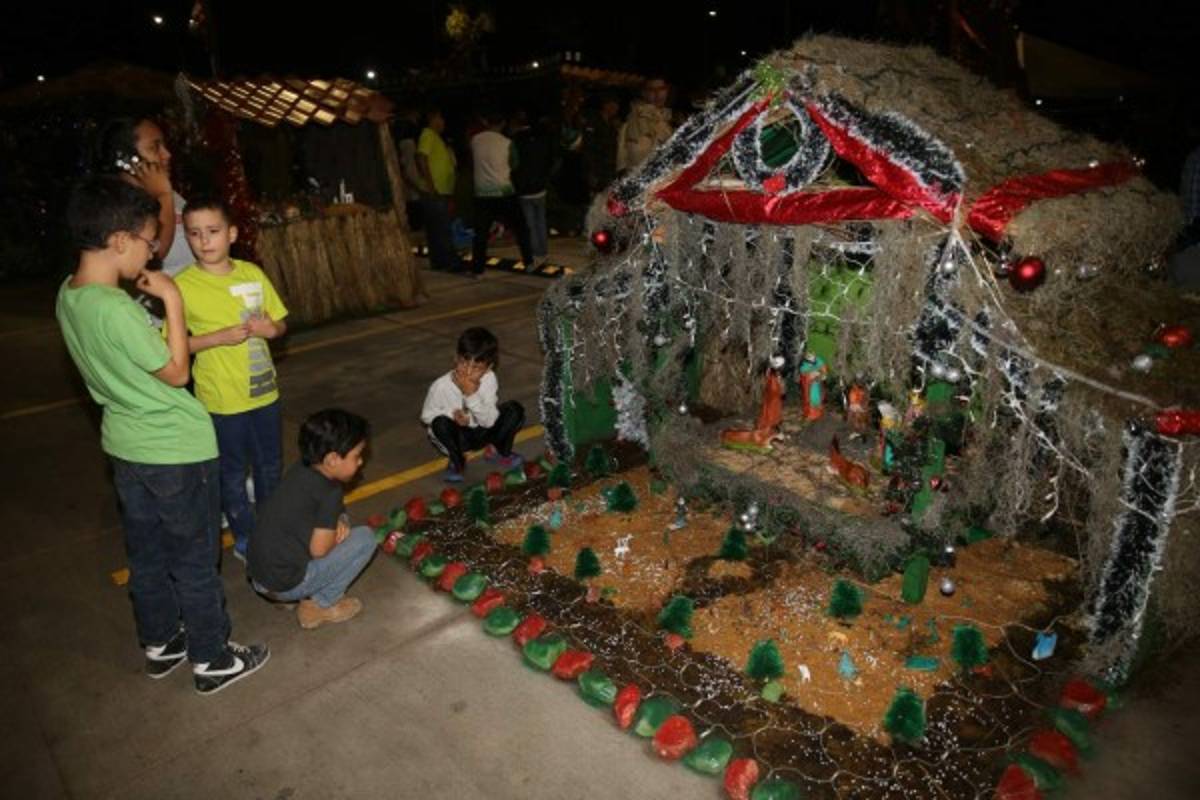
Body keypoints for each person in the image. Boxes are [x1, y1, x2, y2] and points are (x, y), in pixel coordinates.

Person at [56, 176, 268, 695]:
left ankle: (161, 642)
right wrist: (172, 299)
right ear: (121, 240)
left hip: (126, 448)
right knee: (194, 558)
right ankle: (213, 657)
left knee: (147, 554)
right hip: (174, 450)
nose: (153, 252)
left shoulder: (69, 295)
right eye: (151, 241)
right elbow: (176, 372)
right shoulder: (117, 308)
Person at [175, 196, 289, 564]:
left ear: (232, 233)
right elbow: (173, 346)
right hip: (221, 401)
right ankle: (244, 534)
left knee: (270, 465)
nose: (204, 240)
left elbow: (280, 323)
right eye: (195, 233)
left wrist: (270, 328)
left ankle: (272, 527)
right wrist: (216, 338)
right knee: (232, 472)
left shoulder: (252, 274)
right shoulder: (182, 286)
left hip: (264, 394)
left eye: (213, 231)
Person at [249, 409, 376, 630]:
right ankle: (319, 605)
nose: (360, 461)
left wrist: (338, 520)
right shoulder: (329, 493)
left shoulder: (301, 469)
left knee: (335, 525)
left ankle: (290, 596)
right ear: (333, 459)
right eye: (356, 456)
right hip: (284, 583)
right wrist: (337, 534)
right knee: (365, 538)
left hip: (259, 576)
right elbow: (319, 550)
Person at [421, 327, 525, 482]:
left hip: (481, 429)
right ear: (456, 358)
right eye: (463, 363)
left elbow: (489, 421)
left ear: (489, 368)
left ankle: (498, 451)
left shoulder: (489, 379)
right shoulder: (441, 386)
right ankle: (457, 461)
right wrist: (452, 415)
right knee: (439, 423)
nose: (468, 372)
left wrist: (471, 396)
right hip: (459, 437)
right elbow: (426, 416)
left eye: (476, 367)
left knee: (514, 410)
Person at [93, 117, 192, 275]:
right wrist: (164, 196)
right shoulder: (116, 206)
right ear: (127, 158)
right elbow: (155, 255)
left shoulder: (170, 192)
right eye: (154, 147)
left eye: (164, 146)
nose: (166, 154)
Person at [470, 111, 533, 273]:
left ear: (486, 121)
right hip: (505, 192)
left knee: (481, 233)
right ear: (503, 123)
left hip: (482, 194)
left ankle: (478, 268)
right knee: (521, 228)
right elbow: (515, 164)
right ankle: (528, 261)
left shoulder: (475, 140)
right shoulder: (507, 143)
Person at [416, 109, 464, 273]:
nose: (443, 122)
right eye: (441, 118)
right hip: (434, 191)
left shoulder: (436, 137)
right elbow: (422, 158)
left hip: (439, 190)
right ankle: (449, 262)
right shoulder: (428, 134)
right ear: (433, 119)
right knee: (442, 227)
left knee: (436, 228)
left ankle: (439, 262)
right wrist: (431, 185)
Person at [510, 110, 552, 268]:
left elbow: (513, 164)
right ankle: (544, 252)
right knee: (541, 220)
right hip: (540, 186)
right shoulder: (541, 139)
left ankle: (536, 254)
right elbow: (548, 160)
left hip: (524, 188)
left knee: (530, 223)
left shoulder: (516, 141)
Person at [617, 77, 674, 172]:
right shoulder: (635, 119)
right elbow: (635, 157)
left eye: (661, 89)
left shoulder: (664, 120)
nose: (658, 93)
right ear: (644, 93)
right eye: (652, 90)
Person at [584, 94, 622, 193]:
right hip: (597, 168)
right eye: (613, 106)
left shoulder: (612, 124)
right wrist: (591, 172)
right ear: (605, 105)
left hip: (609, 169)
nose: (616, 109)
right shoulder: (593, 121)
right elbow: (588, 147)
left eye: (616, 106)